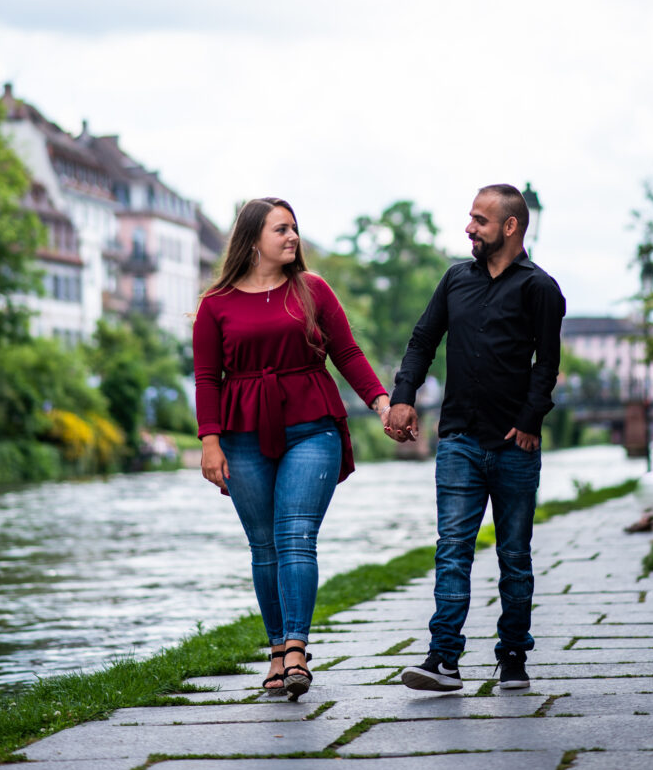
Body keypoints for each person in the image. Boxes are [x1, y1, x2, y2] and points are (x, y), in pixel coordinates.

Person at [193, 197, 390, 700]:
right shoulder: (215, 304)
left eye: (294, 229)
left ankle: (297, 649)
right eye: (281, 229)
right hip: (241, 434)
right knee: (265, 547)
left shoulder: (312, 290)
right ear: (252, 238)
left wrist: (382, 404)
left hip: (312, 426)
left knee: (295, 536)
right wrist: (209, 441)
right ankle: (277, 647)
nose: (292, 237)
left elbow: (346, 352)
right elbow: (207, 379)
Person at [386, 184, 565, 692]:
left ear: (509, 227)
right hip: (460, 437)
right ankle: (443, 658)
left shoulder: (540, 288)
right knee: (453, 549)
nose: (469, 228)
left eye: (480, 220)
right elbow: (423, 339)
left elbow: (546, 365)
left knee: (514, 554)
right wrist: (404, 395)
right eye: (470, 218)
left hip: (514, 443)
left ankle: (512, 655)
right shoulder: (454, 280)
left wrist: (531, 421)